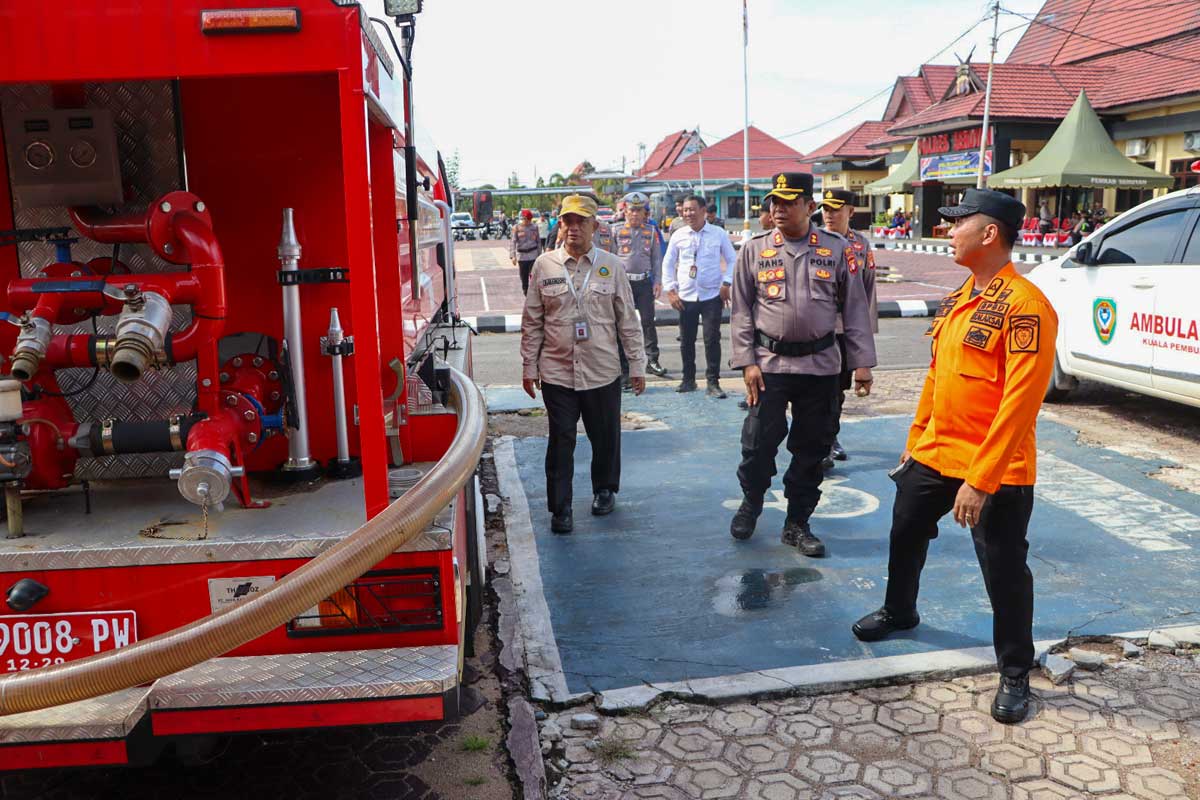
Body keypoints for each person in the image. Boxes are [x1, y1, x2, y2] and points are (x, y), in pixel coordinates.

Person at [851, 187, 1058, 725]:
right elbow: (937, 378)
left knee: (1004, 568)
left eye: (958, 222)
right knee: (905, 529)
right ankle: (901, 610)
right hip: (936, 451)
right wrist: (916, 442)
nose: (948, 230)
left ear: (989, 234)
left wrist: (982, 480)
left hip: (995, 465)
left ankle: (1015, 671)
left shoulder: (1026, 307)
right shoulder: (963, 294)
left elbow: (1021, 404)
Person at [728, 173, 876, 557]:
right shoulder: (755, 248)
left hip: (822, 366)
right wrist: (746, 362)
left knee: (812, 450)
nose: (778, 208)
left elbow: (855, 308)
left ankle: (797, 523)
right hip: (770, 365)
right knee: (758, 444)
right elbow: (742, 310)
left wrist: (861, 363)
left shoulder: (837, 248)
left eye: (788, 201)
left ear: (810, 207)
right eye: (774, 201)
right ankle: (753, 500)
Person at [520, 194, 647, 534]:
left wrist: (637, 363)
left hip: (601, 369)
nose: (574, 228)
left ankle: (605, 489)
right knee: (561, 439)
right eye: (568, 221)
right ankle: (560, 508)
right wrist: (528, 366)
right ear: (560, 225)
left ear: (595, 226)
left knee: (604, 435)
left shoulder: (611, 266)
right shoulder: (544, 265)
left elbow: (627, 321)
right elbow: (532, 320)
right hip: (557, 370)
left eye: (581, 221)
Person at [819, 189, 878, 467]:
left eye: (835, 209)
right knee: (820, 390)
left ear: (850, 212)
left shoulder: (861, 246)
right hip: (819, 331)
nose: (828, 214)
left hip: (845, 332)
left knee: (838, 391)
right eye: (825, 209)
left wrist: (863, 349)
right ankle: (821, 441)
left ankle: (830, 437)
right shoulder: (815, 240)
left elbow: (867, 295)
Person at [663, 194, 738, 398]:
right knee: (686, 340)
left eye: (692, 209)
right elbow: (668, 263)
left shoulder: (718, 234)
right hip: (685, 296)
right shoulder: (678, 235)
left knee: (711, 339)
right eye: (685, 210)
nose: (688, 213)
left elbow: (732, 259)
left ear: (704, 211)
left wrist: (727, 282)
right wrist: (670, 291)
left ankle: (713, 383)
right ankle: (688, 380)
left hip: (712, 295)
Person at [615, 192, 668, 383]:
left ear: (645, 213)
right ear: (625, 212)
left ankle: (652, 360)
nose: (635, 215)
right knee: (622, 324)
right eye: (632, 211)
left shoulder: (651, 231)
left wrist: (658, 281)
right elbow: (611, 258)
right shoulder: (616, 231)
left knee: (648, 321)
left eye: (639, 211)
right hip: (623, 283)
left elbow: (656, 258)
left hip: (644, 282)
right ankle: (624, 367)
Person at [511, 209, 543, 295]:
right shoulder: (517, 228)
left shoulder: (534, 227)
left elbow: (538, 241)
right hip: (522, 256)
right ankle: (526, 291)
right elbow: (513, 242)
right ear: (523, 218)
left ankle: (534, 292)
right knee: (524, 277)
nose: (528, 221)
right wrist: (513, 256)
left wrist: (540, 255)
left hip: (533, 254)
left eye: (530, 220)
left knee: (534, 275)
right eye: (526, 219)